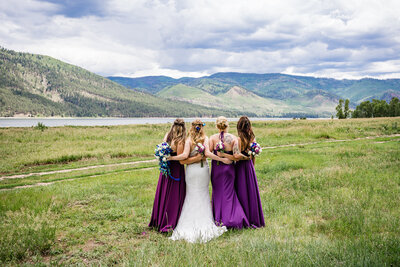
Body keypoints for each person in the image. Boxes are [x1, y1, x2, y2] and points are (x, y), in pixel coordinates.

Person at [171, 119, 229, 243]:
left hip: (191, 171)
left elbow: (184, 158)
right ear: (201, 127)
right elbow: (207, 154)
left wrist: (171, 158)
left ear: (192, 127)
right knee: (203, 194)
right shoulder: (205, 138)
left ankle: (187, 223)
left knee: (191, 195)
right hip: (202, 171)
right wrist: (220, 159)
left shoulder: (188, 140)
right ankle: (205, 221)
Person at [209, 116, 249, 229]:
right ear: (227, 125)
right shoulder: (233, 138)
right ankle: (232, 218)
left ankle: (218, 218)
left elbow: (208, 153)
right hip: (229, 169)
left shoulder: (212, 138)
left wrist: (219, 157)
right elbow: (236, 157)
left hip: (216, 169)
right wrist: (228, 158)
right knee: (229, 193)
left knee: (217, 193)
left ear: (217, 126)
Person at [148, 118, 188, 232]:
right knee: (174, 194)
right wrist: (171, 157)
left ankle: (160, 218)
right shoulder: (180, 140)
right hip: (175, 168)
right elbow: (181, 157)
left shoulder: (167, 135)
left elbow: (163, 148)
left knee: (164, 191)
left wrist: (165, 157)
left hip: (165, 168)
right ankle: (170, 220)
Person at [234, 116, 265, 228]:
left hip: (241, 167)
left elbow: (236, 157)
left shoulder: (238, 140)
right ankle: (253, 218)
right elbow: (253, 155)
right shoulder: (253, 138)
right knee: (251, 192)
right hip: (249, 167)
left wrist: (243, 158)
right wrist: (252, 165)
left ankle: (244, 217)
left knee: (241, 191)